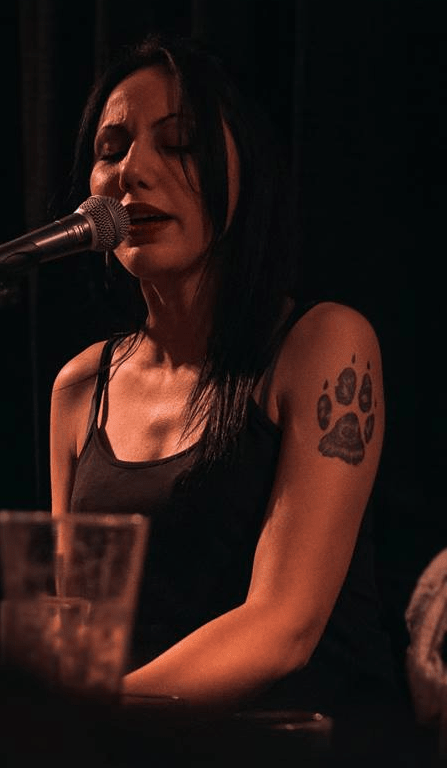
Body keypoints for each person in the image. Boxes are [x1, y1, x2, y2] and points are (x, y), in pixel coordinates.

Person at [49, 35, 398, 717]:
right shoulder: (80, 386)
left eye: (179, 143)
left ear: (247, 171)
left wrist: (91, 720)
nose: (132, 171)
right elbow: (80, 631)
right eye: (110, 150)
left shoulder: (324, 344)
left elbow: (283, 628)